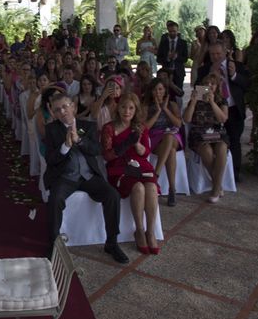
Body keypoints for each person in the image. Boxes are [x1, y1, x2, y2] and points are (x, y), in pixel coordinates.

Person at [44, 92, 128, 263]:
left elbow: (96, 150)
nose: (63, 111)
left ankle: (112, 242)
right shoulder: (51, 130)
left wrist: (79, 141)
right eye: (58, 109)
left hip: (89, 176)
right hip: (65, 177)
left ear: (73, 107)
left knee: (112, 195)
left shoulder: (87, 126)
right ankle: (53, 244)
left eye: (66, 107)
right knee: (55, 199)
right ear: (54, 113)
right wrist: (65, 147)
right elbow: (50, 160)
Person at [101, 93, 160, 255]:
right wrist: (126, 145)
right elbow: (107, 155)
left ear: (136, 110)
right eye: (123, 107)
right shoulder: (109, 128)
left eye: (131, 108)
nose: (127, 111)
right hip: (119, 167)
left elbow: (145, 151)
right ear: (117, 108)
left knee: (151, 187)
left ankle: (151, 231)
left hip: (140, 165)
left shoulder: (140, 127)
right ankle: (139, 230)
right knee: (138, 188)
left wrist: (139, 146)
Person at [195, 42, 249, 182]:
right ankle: (218, 178)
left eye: (218, 54)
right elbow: (197, 91)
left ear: (225, 52)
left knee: (235, 141)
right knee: (218, 143)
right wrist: (210, 76)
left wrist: (233, 75)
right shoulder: (204, 70)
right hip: (213, 112)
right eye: (212, 54)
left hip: (233, 109)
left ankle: (235, 174)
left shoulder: (236, 66)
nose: (215, 57)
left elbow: (247, 85)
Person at [184, 73, 229, 203]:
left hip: (217, 131)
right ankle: (217, 185)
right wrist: (193, 102)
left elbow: (223, 119)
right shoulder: (196, 99)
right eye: (207, 84)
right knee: (207, 151)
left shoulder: (221, 100)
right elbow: (186, 119)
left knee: (222, 148)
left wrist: (213, 102)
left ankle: (215, 188)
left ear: (217, 86)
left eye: (212, 84)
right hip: (199, 132)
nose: (209, 86)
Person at [143, 78, 183, 206]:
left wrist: (165, 109)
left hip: (173, 135)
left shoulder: (172, 104)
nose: (157, 92)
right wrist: (158, 111)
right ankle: (172, 190)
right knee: (170, 151)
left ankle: (156, 175)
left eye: (160, 89)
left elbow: (179, 124)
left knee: (170, 136)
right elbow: (145, 128)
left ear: (165, 90)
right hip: (155, 137)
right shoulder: (146, 106)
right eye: (155, 89)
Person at [157, 21, 188, 90]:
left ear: (177, 30)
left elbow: (185, 58)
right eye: (170, 31)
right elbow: (158, 59)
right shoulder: (163, 43)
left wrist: (176, 57)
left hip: (179, 73)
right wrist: (167, 58)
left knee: (178, 92)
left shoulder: (183, 43)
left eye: (174, 31)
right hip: (166, 73)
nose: (172, 33)